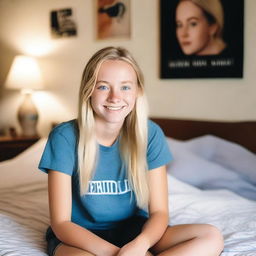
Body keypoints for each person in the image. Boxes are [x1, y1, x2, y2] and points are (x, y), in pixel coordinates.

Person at [39, 46, 224, 256]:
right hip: (78, 236)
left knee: (211, 236)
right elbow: (61, 223)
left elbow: (160, 212)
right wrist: (118, 254)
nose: (115, 97)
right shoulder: (64, 137)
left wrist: (140, 246)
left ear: (138, 92)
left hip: (133, 230)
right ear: (88, 90)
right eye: (103, 87)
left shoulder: (150, 134)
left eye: (125, 87)